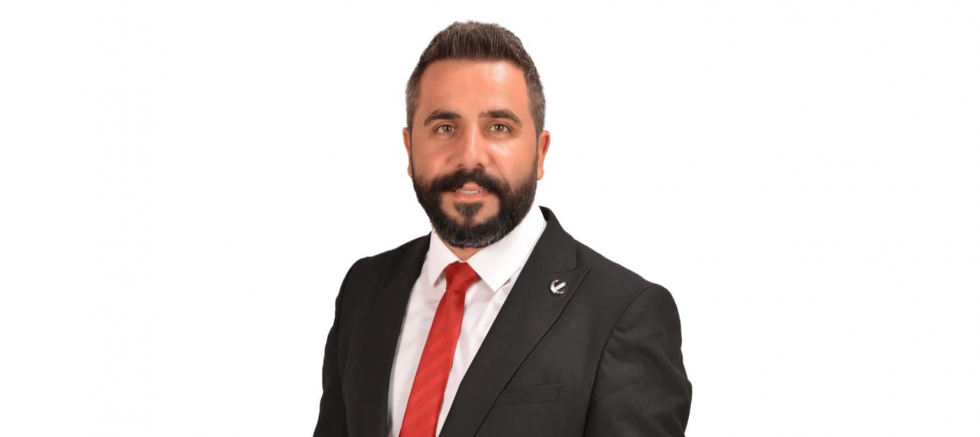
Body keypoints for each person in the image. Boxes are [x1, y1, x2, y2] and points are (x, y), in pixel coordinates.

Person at [313, 21, 692, 437]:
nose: (469, 156)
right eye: (444, 128)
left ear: (540, 153)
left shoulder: (623, 314)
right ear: (409, 149)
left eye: (499, 128)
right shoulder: (364, 290)